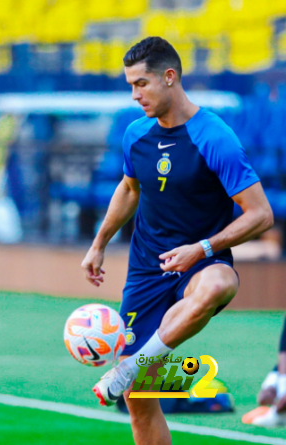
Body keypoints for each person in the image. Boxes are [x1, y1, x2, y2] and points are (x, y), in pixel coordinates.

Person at [81, 36, 274, 445]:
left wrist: (202, 249)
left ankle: (132, 366)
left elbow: (260, 214)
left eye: (141, 84)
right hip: (147, 273)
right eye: (130, 85)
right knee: (139, 401)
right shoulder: (136, 134)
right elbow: (130, 189)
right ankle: (135, 374)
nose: (134, 95)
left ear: (170, 77)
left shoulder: (214, 137)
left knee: (220, 285)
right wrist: (98, 243)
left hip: (202, 261)